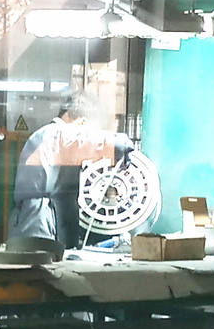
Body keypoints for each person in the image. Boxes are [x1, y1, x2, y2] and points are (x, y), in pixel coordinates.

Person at [8, 91, 133, 249]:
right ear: (82, 122)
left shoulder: (56, 141)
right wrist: (115, 144)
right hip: (37, 226)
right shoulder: (53, 134)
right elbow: (80, 142)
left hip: (49, 224)